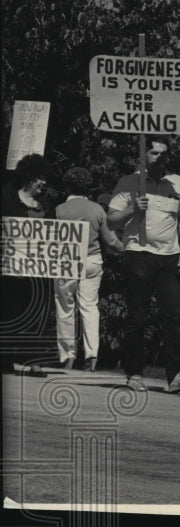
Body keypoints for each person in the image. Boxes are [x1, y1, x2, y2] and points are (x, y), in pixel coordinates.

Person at [107, 139, 180, 394]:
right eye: (153, 152)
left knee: (172, 313)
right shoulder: (128, 182)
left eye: (164, 153)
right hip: (139, 253)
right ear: (143, 155)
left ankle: (176, 375)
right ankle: (134, 373)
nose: (159, 157)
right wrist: (131, 209)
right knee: (137, 315)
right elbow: (111, 219)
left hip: (169, 256)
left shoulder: (177, 182)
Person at [53, 167, 124, 371]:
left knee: (65, 308)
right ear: (88, 187)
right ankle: (92, 356)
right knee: (89, 307)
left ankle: (67, 356)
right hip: (92, 260)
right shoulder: (97, 210)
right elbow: (111, 241)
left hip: (66, 260)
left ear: (67, 186)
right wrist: (126, 250)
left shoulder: (59, 210)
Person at [1, 154, 56, 374]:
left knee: (38, 314)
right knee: (8, 312)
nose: (44, 182)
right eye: (40, 177)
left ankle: (34, 360)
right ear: (29, 177)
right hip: (9, 269)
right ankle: (5, 360)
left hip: (37, 271)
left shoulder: (46, 205)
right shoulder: (6, 199)